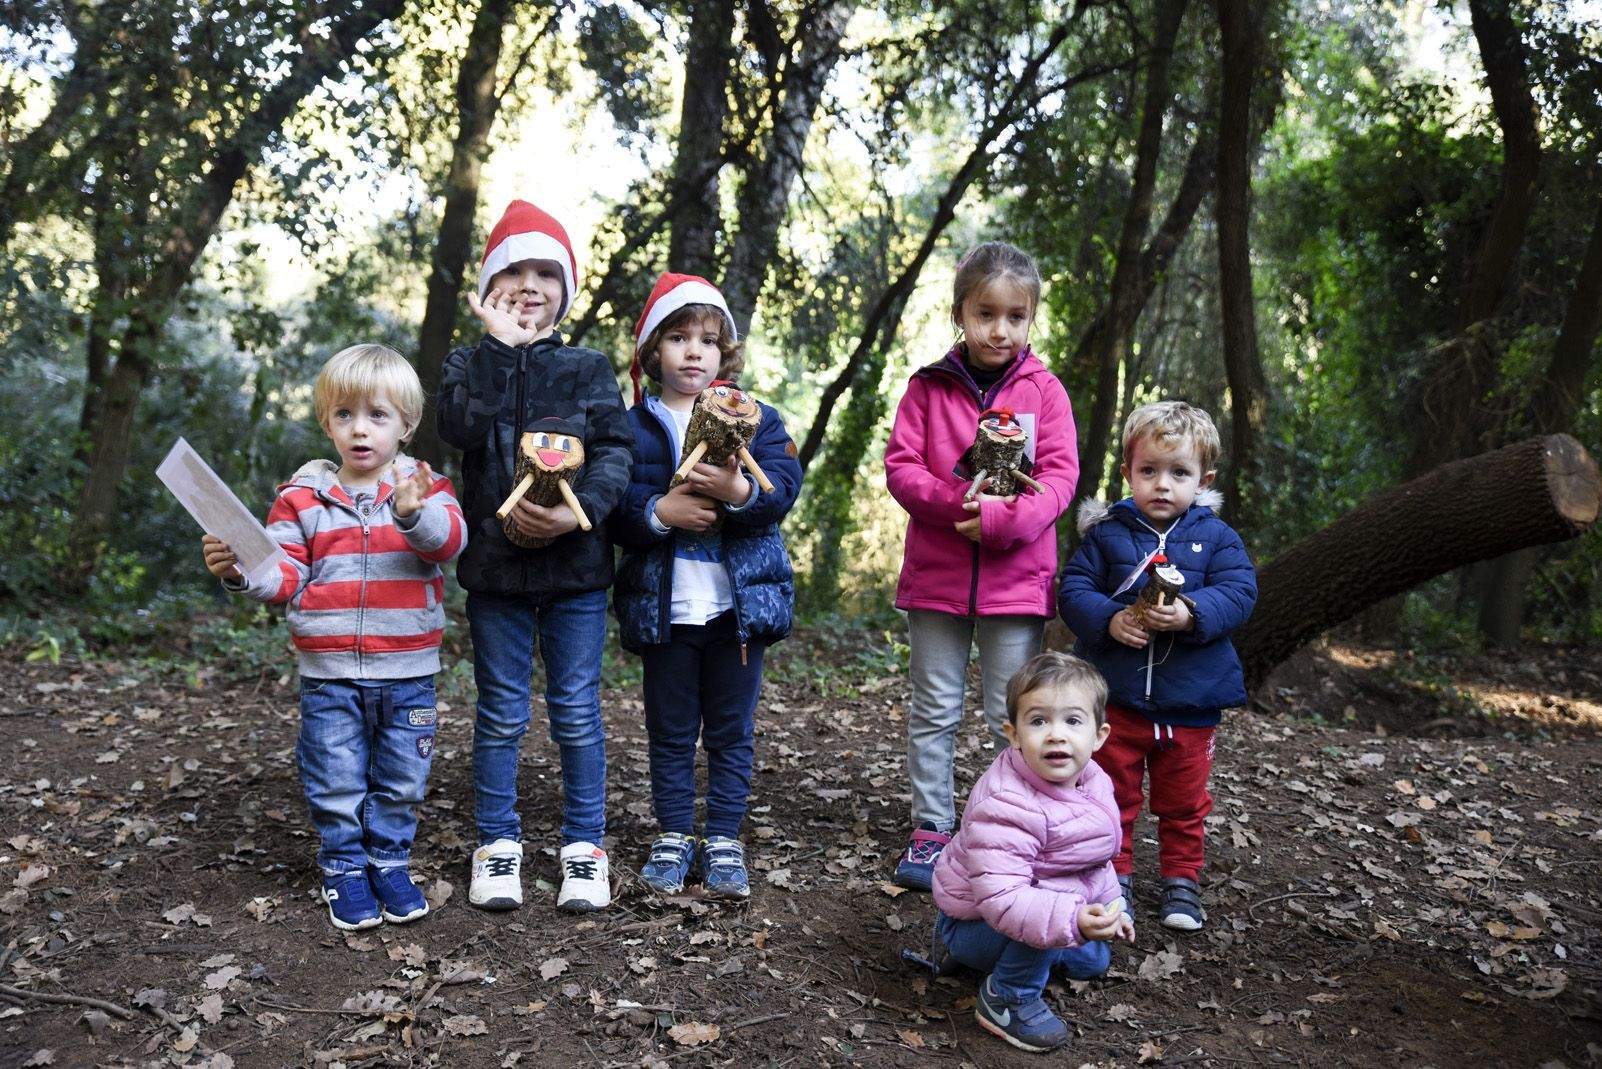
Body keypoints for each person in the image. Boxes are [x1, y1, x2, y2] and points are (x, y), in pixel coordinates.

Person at [202, 343, 465, 931]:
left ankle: (389, 860)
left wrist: (411, 511)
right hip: (331, 672)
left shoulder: (427, 486)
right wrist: (241, 570)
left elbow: (448, 544)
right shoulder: (300, 498)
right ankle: (344, 866)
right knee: (335, 774)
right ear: (327, 423)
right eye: (344, 415)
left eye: (377, 415)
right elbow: (285, 572)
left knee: (402, 777)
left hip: (408, 670)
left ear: (406, 424)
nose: (360, 430)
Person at [437, 199, 633, 912]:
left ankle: (584, 846)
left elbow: (615, 451)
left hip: (576, 572)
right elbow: (458, 427)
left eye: (545, 272)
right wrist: (496, 351)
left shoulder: (586, 368)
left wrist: (579, 516)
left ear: (566, 288)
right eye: (512, 271)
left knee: (577, 709)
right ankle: (497, 843)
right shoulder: (469, 363)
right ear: (489, 288)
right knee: (500, 713)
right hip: (496, 575)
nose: (529, 285)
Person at [883, 241, 1079, 890]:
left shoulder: (1045, 391)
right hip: (937, 579)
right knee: (935, 707)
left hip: (1015, 583)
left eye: (1015, 316)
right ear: (960, 314)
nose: (1000, 328)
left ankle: (1008, 831)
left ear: (1030, 319)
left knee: (1013, 712)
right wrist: (954, 502)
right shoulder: (928, 387)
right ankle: (932, 830)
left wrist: (1005, 520)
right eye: (986, 313)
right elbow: (902, 468)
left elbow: (1058, 479)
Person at [611, 273, 802, 899]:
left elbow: (782, 487)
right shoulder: (632, 428)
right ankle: (673, 834)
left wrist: (738, 493)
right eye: (678, 338)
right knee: (669, 728)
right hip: (665, 607)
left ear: (727, 354)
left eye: (709, 340)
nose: (694, 351)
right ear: (652, 351)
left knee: (729, 729)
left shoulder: (759, 419)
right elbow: (612, 503)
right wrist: (659, 514)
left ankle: (722, 836)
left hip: (736, 607)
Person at [1058, 401, 1257, 931]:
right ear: (1127, 473)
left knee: (1184, 802)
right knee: (1111, 794)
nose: (1162, 485)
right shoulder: (1107, 535)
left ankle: (1181, 882)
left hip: (1190, 703)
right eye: (1149, 471)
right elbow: (1073, 589)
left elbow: (1241, 592)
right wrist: (1108, 619)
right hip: (1117, 700)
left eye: (1179, 473)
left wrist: (1193, 614)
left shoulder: (1217, 538)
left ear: (1203, 479)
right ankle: (1112, 874)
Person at [930, 652, 1133, 1053]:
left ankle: (1028, 953)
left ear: (1099, 735)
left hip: (1039, 901)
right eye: (1038, 721)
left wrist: (1113, 905)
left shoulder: (1091, 781)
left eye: (1073, 721)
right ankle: (1006, 997)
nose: (1056, 734)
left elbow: (1092, 859)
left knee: (1092, 961)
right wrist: (1071, 917)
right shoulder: (1008, 804)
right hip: (977, 921)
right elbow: (1003, 897)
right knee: (1056, 921)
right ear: (1014, 734)